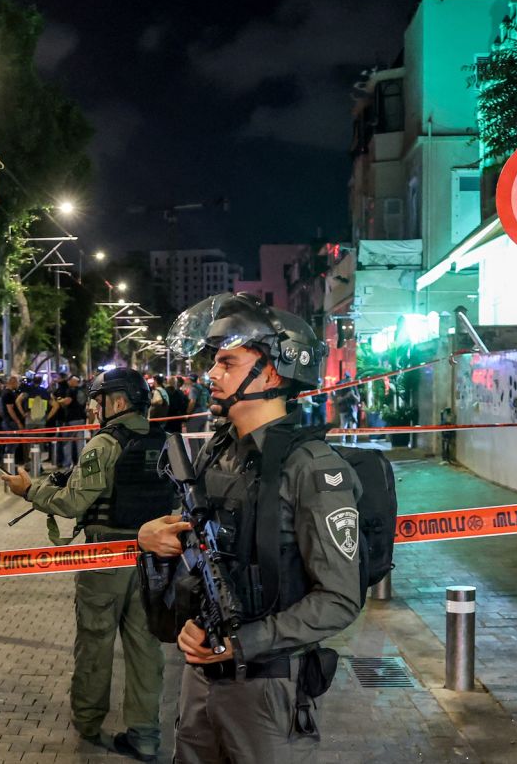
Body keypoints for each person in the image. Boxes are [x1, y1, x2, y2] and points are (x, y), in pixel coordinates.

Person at [137, 292, 363, 763]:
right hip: (200, 677)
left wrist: (240, 643)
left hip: (267, 689)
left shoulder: (313, 468)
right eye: (213, 363)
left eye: (227, 363)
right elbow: (205, 548)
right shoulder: (217, 451)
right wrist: (155, 542)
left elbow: (339, 599)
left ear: (273, 373)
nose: (212, 375)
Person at [4, 367, 167, 761]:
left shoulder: (105, 443)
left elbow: (72, 503)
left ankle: (89, 723)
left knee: (95, 642)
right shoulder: (168, 440)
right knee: (146, 648)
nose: (96, 409)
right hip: (155, 561)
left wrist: (30, 490)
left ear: (119, 402)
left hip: (106, 558)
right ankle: (145, 735)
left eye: (100, 401)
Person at [334, 372, 359, 445]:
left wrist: (353, 395)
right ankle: (342, 442)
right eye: (347, 378)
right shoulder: (340, 387)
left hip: (353, 409)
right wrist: (346, 396)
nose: (348, 380)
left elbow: (358, 399)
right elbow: (338, 400)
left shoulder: (354, 387)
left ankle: (353, 442)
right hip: (343, 409)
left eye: (349, 378)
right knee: (343, 426)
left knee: (353, 426)